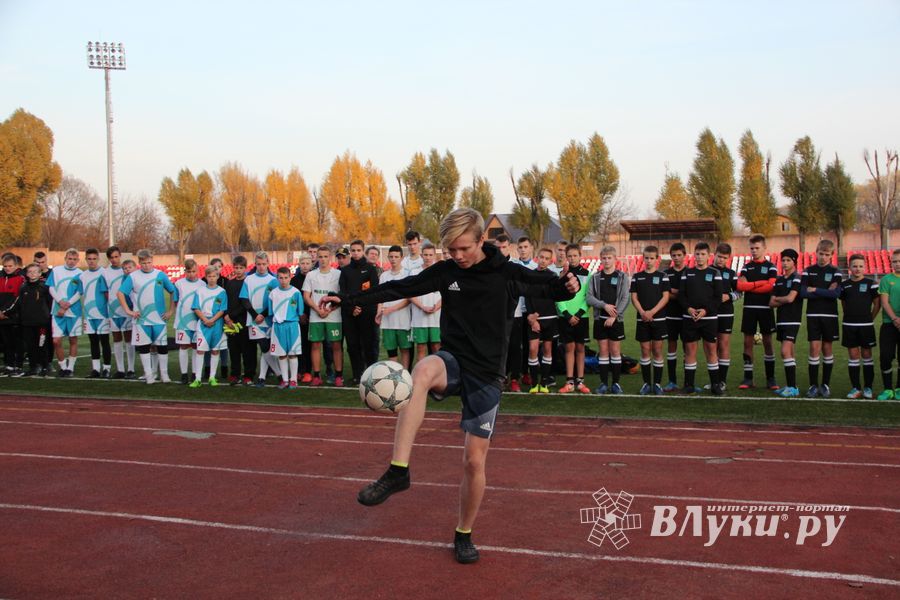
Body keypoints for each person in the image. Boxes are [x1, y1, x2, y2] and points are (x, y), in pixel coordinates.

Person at [319, 208, 579, 564]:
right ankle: (398, 471)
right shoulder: (447, 271)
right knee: (422, 370)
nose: (457, 256)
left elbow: (552, 288)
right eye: (451, 250)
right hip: (454, 359)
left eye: (464, 249)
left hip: (488, 374)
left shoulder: (506, 271)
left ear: (481, 241)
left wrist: (568, 284)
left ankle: (463, 533)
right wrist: (348, 301)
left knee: (474, 462)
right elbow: (399, 287)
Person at [117, 249, 176, 384]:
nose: (147, 265)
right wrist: (129, 311)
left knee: (161, 347)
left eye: (149, 262)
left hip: (159, 319)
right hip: (141, 320)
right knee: (144, 347)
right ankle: (149, 375)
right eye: (143, 263)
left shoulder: (160, 275)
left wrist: (171, 310)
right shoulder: (133, 276)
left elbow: (173, 291)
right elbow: (120, 293)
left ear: (152, 261)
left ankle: (164, 375)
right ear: (139, 263)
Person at [678, 242, 724, 395]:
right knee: (690, 350)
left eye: (703, 254)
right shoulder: (687, 273)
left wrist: (705, 310)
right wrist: (689, 309)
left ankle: (715, 385)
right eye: (697, 254)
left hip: (709, 318)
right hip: (689, 318)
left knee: (711, 350)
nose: (699, 257)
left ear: (709, 256)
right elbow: (682, 295)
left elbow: (718, 298)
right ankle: (689, 385)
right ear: (694, 255)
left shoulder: (715, 273)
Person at [736, 234, 778, 390]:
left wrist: (751, 286)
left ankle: (771, 378)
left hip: (766, 309)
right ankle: (748, 378)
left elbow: (771, 287)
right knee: (747, 343)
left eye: (757, 248)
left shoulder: (771, 267)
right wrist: (761, 283)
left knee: (768, 342)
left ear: (764, 248)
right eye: (752, 248)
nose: (754, 251)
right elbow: (741, 287)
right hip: (749, 309)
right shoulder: (746, 267)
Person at [801, 239, 841, 398]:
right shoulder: (808, 271)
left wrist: (815, 289)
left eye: (826, 254)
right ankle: (813, 385)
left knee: (827, 349)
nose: (823, 257)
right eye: (820, 253)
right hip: (813, 315)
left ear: (832, 255)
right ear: (816, 253)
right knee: (814, 349)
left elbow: (835, 294)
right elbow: (803, 293)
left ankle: (825, 384)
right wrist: (825, 291)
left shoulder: (836, 272)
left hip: (830, 316)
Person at [587, 245, 629, 394]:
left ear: (615, 259)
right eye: (604, 258)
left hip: (615, 320)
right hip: (600, 320)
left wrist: (614, 316)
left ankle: (616, 384)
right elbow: (589, 297)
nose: (606, 261)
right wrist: (604, 306)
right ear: (600, 259)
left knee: (615, 351)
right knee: (603, 352)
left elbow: (625, 298)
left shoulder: (622, 277)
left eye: (609, 258)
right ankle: (603, 383)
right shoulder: (595, 277)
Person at [629, 245, 670, 395]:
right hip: (642, 320)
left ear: (657, 259)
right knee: (645, 350)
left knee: (657, 350)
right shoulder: (637, 277)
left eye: (652, 258)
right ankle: (646, 383)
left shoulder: (662, 276)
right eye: (646, 258)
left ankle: (657, 384)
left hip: (658, 319)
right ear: (643, 258)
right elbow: (634, 297)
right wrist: (642, 312)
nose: (649, 261)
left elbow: (665, 297)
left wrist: (651, 312)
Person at [302, 245, 344, 387]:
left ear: (330, 257)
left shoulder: (338, 274)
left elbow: (341, 297)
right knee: (315, 345)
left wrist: (329, 310)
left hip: (334, 316)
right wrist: (317, 309)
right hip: (316, 316)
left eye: (326, 256)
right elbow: (306, 296)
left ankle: (338, 375)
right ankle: (317, 375)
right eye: (321, 256)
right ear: (317, 258)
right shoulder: (311, 275)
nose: (323, 259)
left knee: (336, 345)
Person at [839, 254, 880, 399]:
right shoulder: (844, 285)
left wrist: (870, 318)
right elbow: (844, 304)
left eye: (860, 266)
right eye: (854, 266)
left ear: (865, 267)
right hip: (849, 325)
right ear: (849, 268)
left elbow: (877, 303)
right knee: (853, 356)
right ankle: (855, 388)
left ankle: (868, 387)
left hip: (866, 325)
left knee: (867, 355)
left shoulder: (871, 283)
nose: (857, 269)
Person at [339, 240, 379, 384]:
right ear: (350, 252)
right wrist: (351, 308)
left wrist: (360, 307)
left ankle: (371, 374)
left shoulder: (370, 269)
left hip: (367, 313)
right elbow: (343, 294)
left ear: (363, 251)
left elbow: (374, 291)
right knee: (353, 345)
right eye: (353, 250)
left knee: (369, 345)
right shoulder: (345, 271)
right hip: (350, 314)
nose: (355, 253)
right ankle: (357, 374)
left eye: (358, 250)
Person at [241, 251, 280, 387]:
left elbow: (276, 301)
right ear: (255, 264)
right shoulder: (248, 279)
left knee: (267, 348)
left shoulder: (274, 280)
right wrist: (254, 314)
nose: (261, 267)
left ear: (268, 264)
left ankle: (262, 377)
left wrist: (263, 314)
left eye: (264, 264)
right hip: (253, 320)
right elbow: (244, 299)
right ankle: (279, 374)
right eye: (259, 264)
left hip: (268, 319)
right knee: (264, 347)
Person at [524, 247, 560, 393]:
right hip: (534, 319)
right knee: (533, 349)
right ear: (536, 257)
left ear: (550, 261)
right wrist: (533, 318)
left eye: (547, 258)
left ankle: (544, 383)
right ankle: (534, 384)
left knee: (547, 349)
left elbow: (556, 297)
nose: (543, 260)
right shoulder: (529, 275)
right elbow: (527, 297)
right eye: (541, 257)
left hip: (550, 318)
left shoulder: (553, 277)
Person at [769, 249, 803, 398]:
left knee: (784, 351)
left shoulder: (797, 278)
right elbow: (771, 302)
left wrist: (779, 299)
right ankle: (792, 386)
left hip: (793, 319)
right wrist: (783, 299)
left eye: (788, 260)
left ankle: (792, 387)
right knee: (790, 352)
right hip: (781, 320)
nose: (785, 263)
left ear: (794, 261)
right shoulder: (779, 279)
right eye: (783, 260)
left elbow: (791, 299)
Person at [265, 266, 304, 389]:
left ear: (290, 277)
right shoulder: (273, 293)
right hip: (278, 327)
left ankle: (293, 380)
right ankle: (285, 380)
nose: (283, 280)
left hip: (292, 325)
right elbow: (271, 312)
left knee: (292, 354)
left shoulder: (296, 292)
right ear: (277, 278)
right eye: (280, 278)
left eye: (285, 278)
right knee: (281, 355)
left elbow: (300, 311)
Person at [47, 248, 84, 377]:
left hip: (73, 311)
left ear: (78, 260)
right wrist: (60, 302)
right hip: (57, 311)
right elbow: (51, 287)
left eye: (74, 259)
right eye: (69, 258)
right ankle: (62, 367)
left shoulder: (80, 273)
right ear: (65, 258)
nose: (71, 261)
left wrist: (68, 304)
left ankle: (70, 368)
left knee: (73, 339)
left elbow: (79, 292)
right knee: (56, 340)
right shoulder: (56, 271)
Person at [189, 265, 228, 387]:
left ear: (218, 276)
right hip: (203, 324)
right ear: (205, 277)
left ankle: (212, 377)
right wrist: (205, 320)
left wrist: (213, 320)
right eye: (209, 276)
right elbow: (196, 307)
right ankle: (198, 379)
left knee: (215, 351)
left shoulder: (222, 291)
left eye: (214, 276)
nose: (212, 278)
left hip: (217, 325)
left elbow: (222, 310)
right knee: (200, 351)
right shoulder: (200, 291)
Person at [506, 237, 536, 391]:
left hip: (531, 313)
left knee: (529, 345)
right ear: (517, 249)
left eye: (526, 246)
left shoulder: (536, 267)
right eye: (521, 247)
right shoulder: (513, 266)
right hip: (516, 312)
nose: (523, 249)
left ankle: (526, 372)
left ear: (531, 247)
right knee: (515, 345)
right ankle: (513, 376)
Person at [377, 246, 413, 369]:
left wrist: (392, 309)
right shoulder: (384, 276)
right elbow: (380, 297)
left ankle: (405, 375)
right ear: (387, 258)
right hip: (387, 321)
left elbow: (409, 298)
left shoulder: (408, 274)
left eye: (396, 257)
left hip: (403, 320)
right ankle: (394, 375)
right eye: (391, 257)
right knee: (391, 351)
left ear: (401, 258)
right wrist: (379, 312)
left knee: (405, 349)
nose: (393, 259)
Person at [104, 247, 134, 378]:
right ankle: (120, 369)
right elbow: (105, 292)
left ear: (120, 255)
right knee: (116, 338)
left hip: (128, 310)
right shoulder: (105, 272)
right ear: (108, 258)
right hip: (113, 311)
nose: (114, 259)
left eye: (116, 256)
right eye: (111, 257)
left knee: (128, 338)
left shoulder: (128, 271)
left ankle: (131, 369)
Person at [81, 248, 112, 378]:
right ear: (86, 259)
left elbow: (108, 294)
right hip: (89, 314)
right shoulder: (82, 275)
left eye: (94, 259)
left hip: (103, 314)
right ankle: (95, 369)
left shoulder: (104, 273)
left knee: (104, 341)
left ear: (98, 259)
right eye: (89, 259)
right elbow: (80, 293)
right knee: (93, 342)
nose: (92, 261)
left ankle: (106, 368)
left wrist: (109, 313)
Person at [713, 243, 739, 390]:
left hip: (726, 313)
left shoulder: (731, 273)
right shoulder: (708, 271)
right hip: (710, 314)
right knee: (712, 347)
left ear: (728, 258)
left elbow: (739, 292)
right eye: (719, 256)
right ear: (714, 255)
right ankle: (714, 380)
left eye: (724, 258)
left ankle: (722, 381)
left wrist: (728, 296)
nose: (721, 260)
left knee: (723, 345)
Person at [409, 242, 442, 364]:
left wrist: (436, 307)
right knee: (421, 348)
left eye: (430, 255)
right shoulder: (414, 272)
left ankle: (436, 377)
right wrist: (422, 306)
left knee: (436, 347)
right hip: (419, 317)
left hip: (436, 317)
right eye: (425, 255)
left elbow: (446, 294)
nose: (428, 257)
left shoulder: (440, 272)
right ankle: (420, 376)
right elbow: (409, 294)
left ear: (434, 256)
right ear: (421, 255)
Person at [173, 259, 204, 384]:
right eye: (189, 272)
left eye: (194, 271)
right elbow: (175, 301)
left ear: (197, 270)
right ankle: (184, 374)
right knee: (184, 346)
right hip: (182, 321)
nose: (192, 274)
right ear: (185, 271)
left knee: (197, 347)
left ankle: (195, 373)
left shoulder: (202, 284)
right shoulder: (178, 284)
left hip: (197, 321)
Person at [18, 263, 51, 376]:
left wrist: (47, 317)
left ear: (39, 273)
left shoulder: (44, 287)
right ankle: (33, 366)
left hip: (41, 322)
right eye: (29, 271)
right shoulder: (23, 287)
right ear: (26, 273)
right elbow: (21, 304)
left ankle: (45, 366)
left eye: (35, 271)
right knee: (30, 345)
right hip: (27, 322)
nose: (32, 274)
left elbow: (49, 303)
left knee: (42, 345)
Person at [663, 243, 687, 391]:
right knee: (671, 348)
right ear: (671, 256)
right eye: (674, 255)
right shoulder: (666, 273)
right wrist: (681, 293)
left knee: (687, 350)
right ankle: (672, 381)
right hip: (670, 316)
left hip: (687, 316)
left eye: (679, 255)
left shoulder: (691, 272)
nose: (677, 258)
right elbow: (665, 295)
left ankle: (687, 382)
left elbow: (689, 294)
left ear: (684, 255)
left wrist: (674, 291)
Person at [224, 255, 252, 385]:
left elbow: (245, 304)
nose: (238, 270)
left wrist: (233, 315)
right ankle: (234, 374)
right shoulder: (230, 283)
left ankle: (248, 374)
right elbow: (226, 301)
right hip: (230, 322)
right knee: (233, 350)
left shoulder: (248, 283)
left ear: (245, 268)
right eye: (236, 268)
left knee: (247, 351)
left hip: (244, 321)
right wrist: (227, 316)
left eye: (241, 268)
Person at [877, 249, 900, 400]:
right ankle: (887, 389)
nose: (897, 264)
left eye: (899, 261)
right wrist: (895, 319)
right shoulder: (886, 279)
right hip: (889, 323)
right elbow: (884, 302)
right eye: (894, 261)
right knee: (885, 356)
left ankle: (898, 388)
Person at [290, 253, 314, 382]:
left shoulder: (314, 278)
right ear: (299, 265)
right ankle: (299, 370)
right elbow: (292, 300)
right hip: (298, 318)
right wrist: (300, 314)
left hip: (312, 316)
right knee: (299, 345)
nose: (305, 266)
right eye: (302, 263)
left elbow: (314, 298)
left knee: (309, 345)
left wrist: (310, 314)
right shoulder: (294, 280)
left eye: (307, 263)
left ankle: (308, 371)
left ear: (311, 264)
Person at [0, 253, 25, 375]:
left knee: (17, 342)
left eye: (10, 266)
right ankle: (9, 365)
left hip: (14, 317)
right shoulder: (0, 278)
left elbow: (18, 299)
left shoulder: (21, 279)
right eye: (5, 266)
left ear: (16, 266)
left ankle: (18, 366)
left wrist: (5, 312)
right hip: (2, 317)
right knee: (6, 342)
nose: (7, 268)